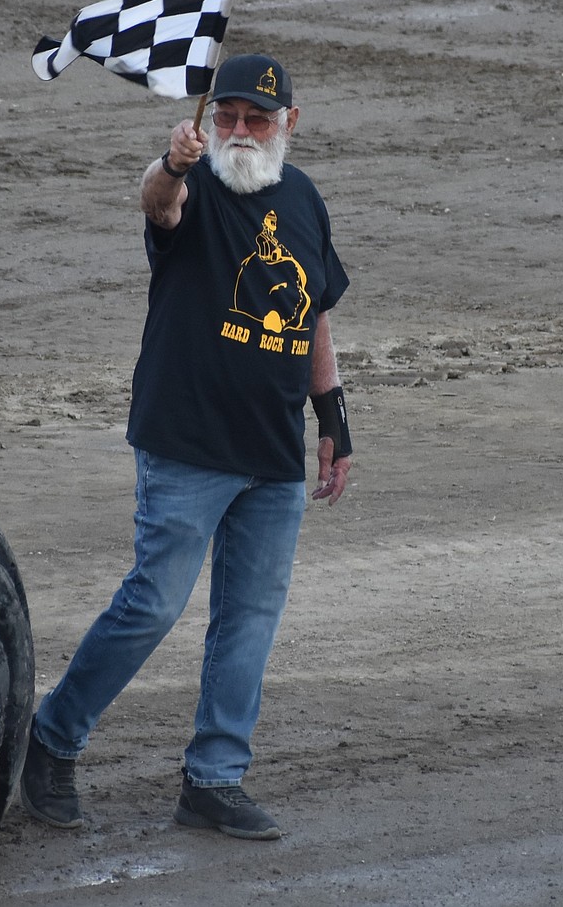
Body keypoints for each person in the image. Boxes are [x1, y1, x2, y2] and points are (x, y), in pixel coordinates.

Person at [20, 53, 353, 841]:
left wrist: (334, 417)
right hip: (186, 441)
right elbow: (157, 205)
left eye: (257, 119)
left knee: (249, 617)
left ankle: (214, 778)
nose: (240, 131)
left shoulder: (304, 200)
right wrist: (172, 162)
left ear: (288, 126)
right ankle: (51, 737)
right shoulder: (194, 182)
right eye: (227, 116)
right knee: (154, 603)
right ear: (210, 120)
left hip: (273, 450)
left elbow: (313, 313)